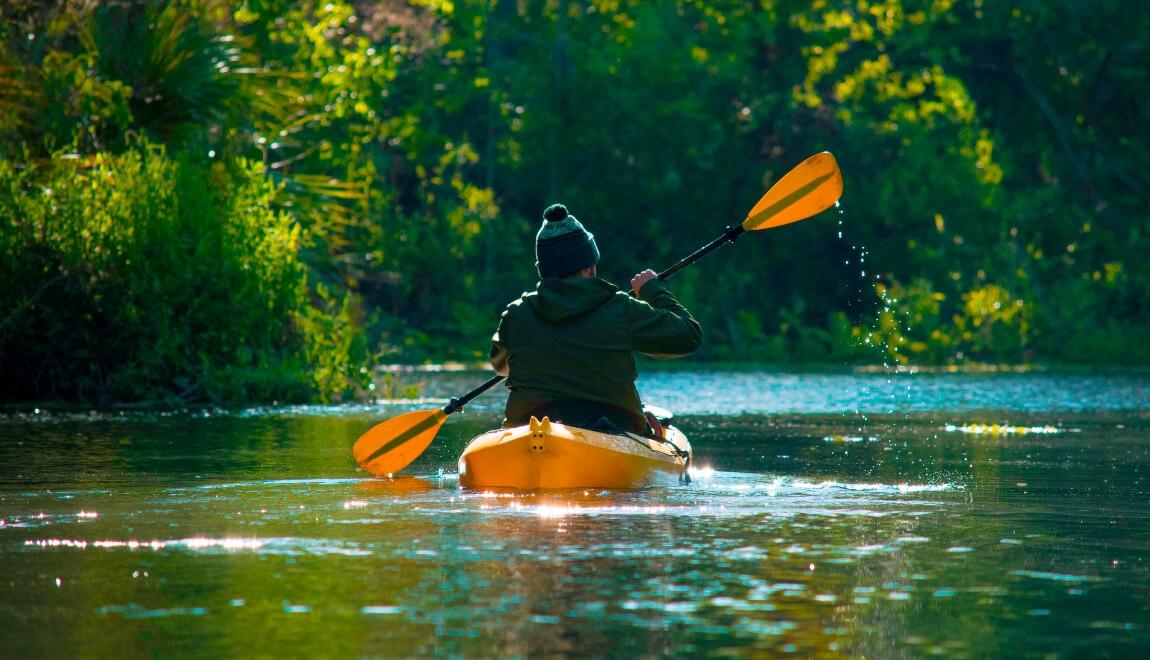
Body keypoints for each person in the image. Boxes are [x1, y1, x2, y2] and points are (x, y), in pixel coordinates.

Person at [490, 203, 702, 435]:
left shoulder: (516, 314)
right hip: (615, 429)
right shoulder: (621, 308)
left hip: (529, 431)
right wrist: (652, 290)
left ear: (545, 271)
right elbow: (689, 336)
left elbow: (501, 367)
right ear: (590, 267)